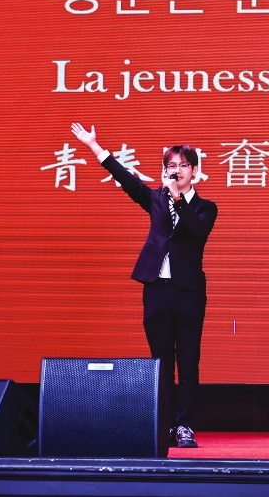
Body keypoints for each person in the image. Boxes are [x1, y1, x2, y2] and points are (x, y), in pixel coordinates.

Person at [69, 122, 217, 449]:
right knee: (160, 361)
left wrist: (176, 197)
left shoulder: (206, 207)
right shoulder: (155, 199)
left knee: (188, 362)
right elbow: (125, 178)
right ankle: (165, 424)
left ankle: (185, 426)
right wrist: (94, 146)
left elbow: (196, 232)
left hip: (189, 292)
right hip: (157, 289)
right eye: (171, 165)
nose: (177, 170)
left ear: (194, 171)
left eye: (183, 165)